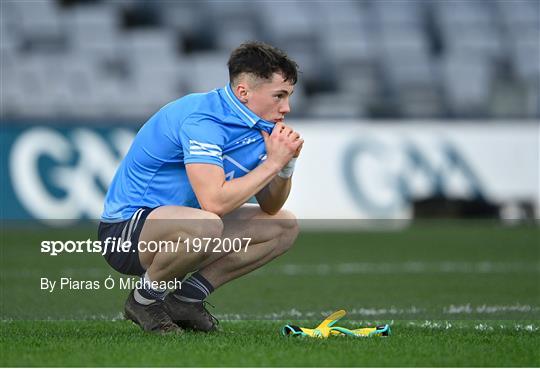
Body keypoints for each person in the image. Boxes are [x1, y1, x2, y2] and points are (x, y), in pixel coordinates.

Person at [98, 41, 303, 333]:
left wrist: (285, 165)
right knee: (207, 224)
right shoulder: (202, 118)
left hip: (187, 225)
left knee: (284, 227)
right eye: (279, 96)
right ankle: (144, 300)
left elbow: (271, 206)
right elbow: (214, 204)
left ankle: (186, 299)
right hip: (126, 231)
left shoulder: (261, 126)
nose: (287, 107)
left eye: (289, 96)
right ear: (244, 92)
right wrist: (271, 164)